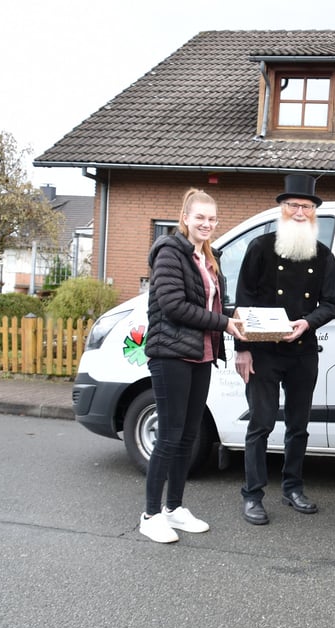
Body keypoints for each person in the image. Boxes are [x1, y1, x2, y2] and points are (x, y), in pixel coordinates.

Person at [234, 174, 335, 525]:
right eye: (293, 205)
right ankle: (253, 494)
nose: (300, 212)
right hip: (263, 351)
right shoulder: (260, 248)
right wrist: (242, 349)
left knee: (298, 425)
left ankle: (293, 487)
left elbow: (332, 304)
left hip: (303, 350)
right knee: (261, 423)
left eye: (306, 207)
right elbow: (243, 302)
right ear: (282, 209)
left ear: (314, 213)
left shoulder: (323, 256)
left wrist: (307, 322)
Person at [139, 188, 244, 543]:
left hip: (200, 355)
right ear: (184, 218)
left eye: (212, 219)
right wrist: (224, 323)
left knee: (187, 436)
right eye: (200, 217)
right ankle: (150, 513)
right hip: (170, 355)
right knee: (168, 437)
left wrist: (234, 315)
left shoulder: (207, 258)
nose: (206, 224)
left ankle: (175, 508)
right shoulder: (170, 251)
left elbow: (210, 306)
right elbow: (173, 305)